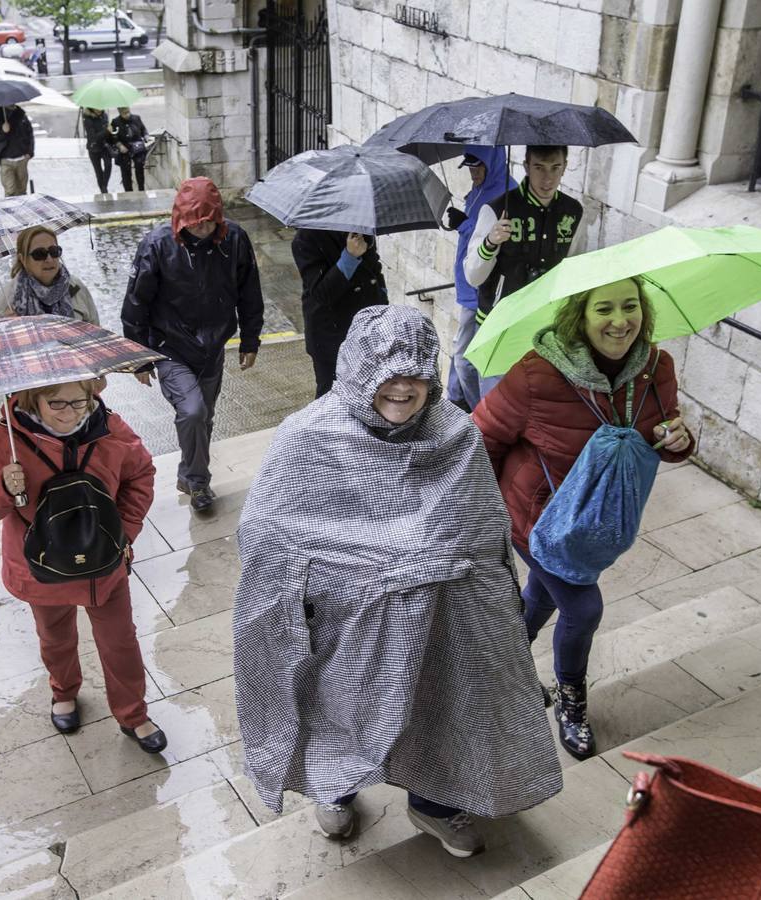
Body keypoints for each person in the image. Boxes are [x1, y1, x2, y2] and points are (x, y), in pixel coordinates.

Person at [234, 305, 562, 857]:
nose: (403, 386)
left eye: (417, 371)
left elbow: (483, 531)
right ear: (360, 368)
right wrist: (368, 571)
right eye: (388, 369)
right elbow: (267, 534)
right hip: (340, 618)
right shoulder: (308, 435)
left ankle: (435, 802)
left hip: (439, 618)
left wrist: (426, 570)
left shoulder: (453, 432)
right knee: (332, 701)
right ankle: (333, 788)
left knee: (443, 706)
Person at [473, 277, 694, 759]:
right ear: (580, 315)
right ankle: (570, 701)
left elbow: (663, 428)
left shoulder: (656, 367)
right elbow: (480, 441)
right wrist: (485, 518)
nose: (621, 321)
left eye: (631, 306)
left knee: (540, 593)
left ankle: (498, 664)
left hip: (599, 520)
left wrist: (679, 440)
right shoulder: (537, 375)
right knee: (582, 608)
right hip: (538, 519)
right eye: (605, 309)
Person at [0, 380, 166, 752]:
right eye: (56, 403)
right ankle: (64, 692)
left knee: (120, 642)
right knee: (55, 638)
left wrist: (124, 532)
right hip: (41, 570)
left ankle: (133, 714)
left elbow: (141, 475)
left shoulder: (111, 429)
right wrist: (2, 486)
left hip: (104, 565)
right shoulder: (4, 441)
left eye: (79, 401)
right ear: (31, 400)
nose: (69, 413)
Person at [122, 177, 263, 513]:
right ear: (182, 218)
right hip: (170, 345)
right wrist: (139, 359)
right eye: (195, 222)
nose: (202, 229)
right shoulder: (157, 246)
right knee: (193, 411)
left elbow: (249, 291)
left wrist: (250, 339)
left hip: (213, 346)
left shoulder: (235, 240)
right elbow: (135, 304)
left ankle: (189, 474)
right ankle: (199, 482)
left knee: (205, 417)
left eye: (209, 221)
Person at [463, 145, 583, 397]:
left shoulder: (572, 212)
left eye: (555, 168)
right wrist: (491, 242)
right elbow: (472, 276)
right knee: (494, 407)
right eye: (539, 167)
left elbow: (572, 269)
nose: (547, 178)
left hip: (543, 327)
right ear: (526, 166)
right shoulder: (498, 209)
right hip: (498, 325)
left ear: (565, 167)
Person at [445, 148, 513, 410]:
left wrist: (464, 225)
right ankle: (455, 399)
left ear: (492, 165)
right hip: (466, 285)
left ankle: (478, 415)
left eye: (478, 168)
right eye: (470, 169)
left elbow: (497, 242)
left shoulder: (504, 194)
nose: (473, 174)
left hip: (481, 293)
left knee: (466, 359)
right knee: (460, 354)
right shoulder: (479, 191)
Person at [291, 229, 386, 397]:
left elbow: (375, 269)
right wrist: (350, 256)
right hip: (331, 334)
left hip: (368, 328)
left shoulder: (361, 227)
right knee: (332, 398)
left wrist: (383, 305)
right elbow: (322, 293)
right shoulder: (306, 238)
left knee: (368, 393)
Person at [0, 105, 34, 197]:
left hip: (22, 160)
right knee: (10, 191)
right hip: (6, 161)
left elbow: (29, 134)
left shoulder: (20, 114)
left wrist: (29, 153)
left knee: (22, 191)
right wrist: (2, 131)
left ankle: (22, 211)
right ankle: (11, 211)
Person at [109, 106, 149, 192]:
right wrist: (119, 145)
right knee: (125, 171)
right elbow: (113, 137)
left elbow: (143, 129)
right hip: (125, 148)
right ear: (120, 113)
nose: (127, 115)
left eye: (128, 112)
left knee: (139, 168)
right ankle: (128, 192)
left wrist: (146, 136)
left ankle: (141, 190)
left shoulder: (136, 118)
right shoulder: (115, 122)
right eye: (124, 113)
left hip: (137, 148)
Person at [82, 107, 113, 194]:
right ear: (92, 108)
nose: (99, 109)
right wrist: (106, 131)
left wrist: (111, 131)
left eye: (100, 107)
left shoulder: (104, 116)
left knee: (108, 165)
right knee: (98, 171)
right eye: (97, 108)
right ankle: (104, 191)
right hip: (94, 148)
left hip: (105, 146)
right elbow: (93, 137)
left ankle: (104, 186)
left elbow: (107, 132)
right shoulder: (87, 119)